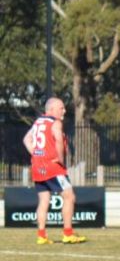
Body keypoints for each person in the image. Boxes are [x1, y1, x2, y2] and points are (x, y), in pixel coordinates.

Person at [22, 97, 85, 245]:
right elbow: (58, 141)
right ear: (51, 110)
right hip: (53, 167)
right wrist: (61, 160)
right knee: (69, 197)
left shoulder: (38, 122)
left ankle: (41, 236)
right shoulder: (55, 123)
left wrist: (37, 154)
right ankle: (68, 234)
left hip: (38, 167)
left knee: (44, 200)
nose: (64, 111)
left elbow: (26, 139)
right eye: (61, 108)